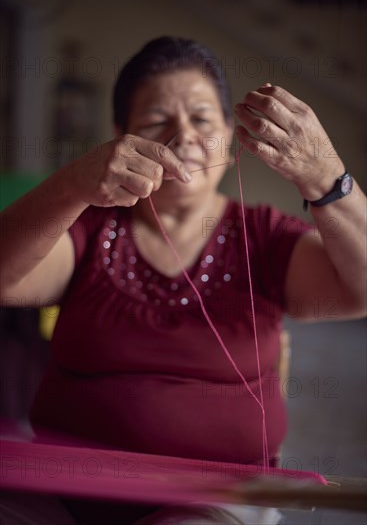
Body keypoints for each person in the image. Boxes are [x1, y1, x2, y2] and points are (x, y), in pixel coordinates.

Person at [0, 36, 366, 524]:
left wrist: (327, 177)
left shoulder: (264, 237)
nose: (183, 135)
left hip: (214, 498)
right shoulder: (91, 229)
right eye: (156, 121)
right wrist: (72, 184)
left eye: (201, 118)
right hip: (64, 489)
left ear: (232, 137)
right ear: (119, 136)